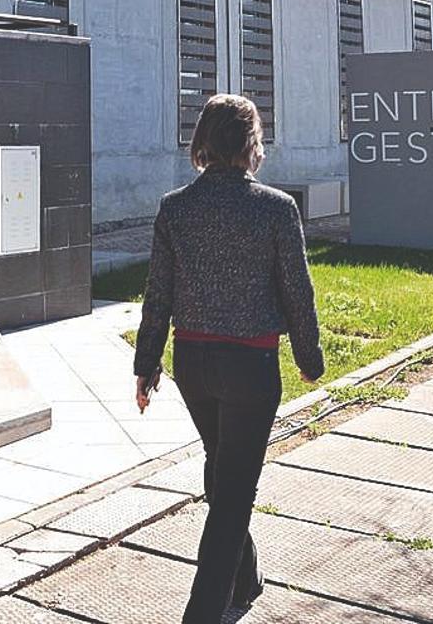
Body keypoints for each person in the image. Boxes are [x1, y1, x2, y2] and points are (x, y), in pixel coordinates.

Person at [132, 94, 324, 624]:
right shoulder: (277, 208)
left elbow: (158, 293)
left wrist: (146, 365)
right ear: (250, 144)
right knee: (233, 493)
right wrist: (310, 359)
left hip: (193, 364)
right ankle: (203, 613)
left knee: (223, 477)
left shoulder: (176, 207)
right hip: (250, 369)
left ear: (203, 143)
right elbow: (297, 294)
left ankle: (247, 577)